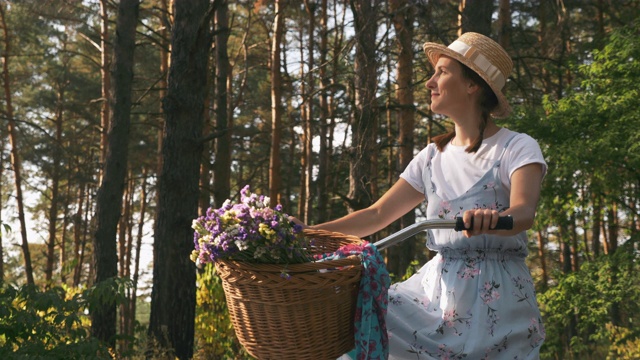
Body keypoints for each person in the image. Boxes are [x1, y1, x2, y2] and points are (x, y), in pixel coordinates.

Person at [303, 32, 547, 359]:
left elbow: (523, 211)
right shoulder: (432, 156)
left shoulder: (516, 147)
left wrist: (491, 221)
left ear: (473, 85)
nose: (430, 82)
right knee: (366, 317)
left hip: (498, 296)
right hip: (437, 294)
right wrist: (305, 235)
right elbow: (376, 215)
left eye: (442, 72)